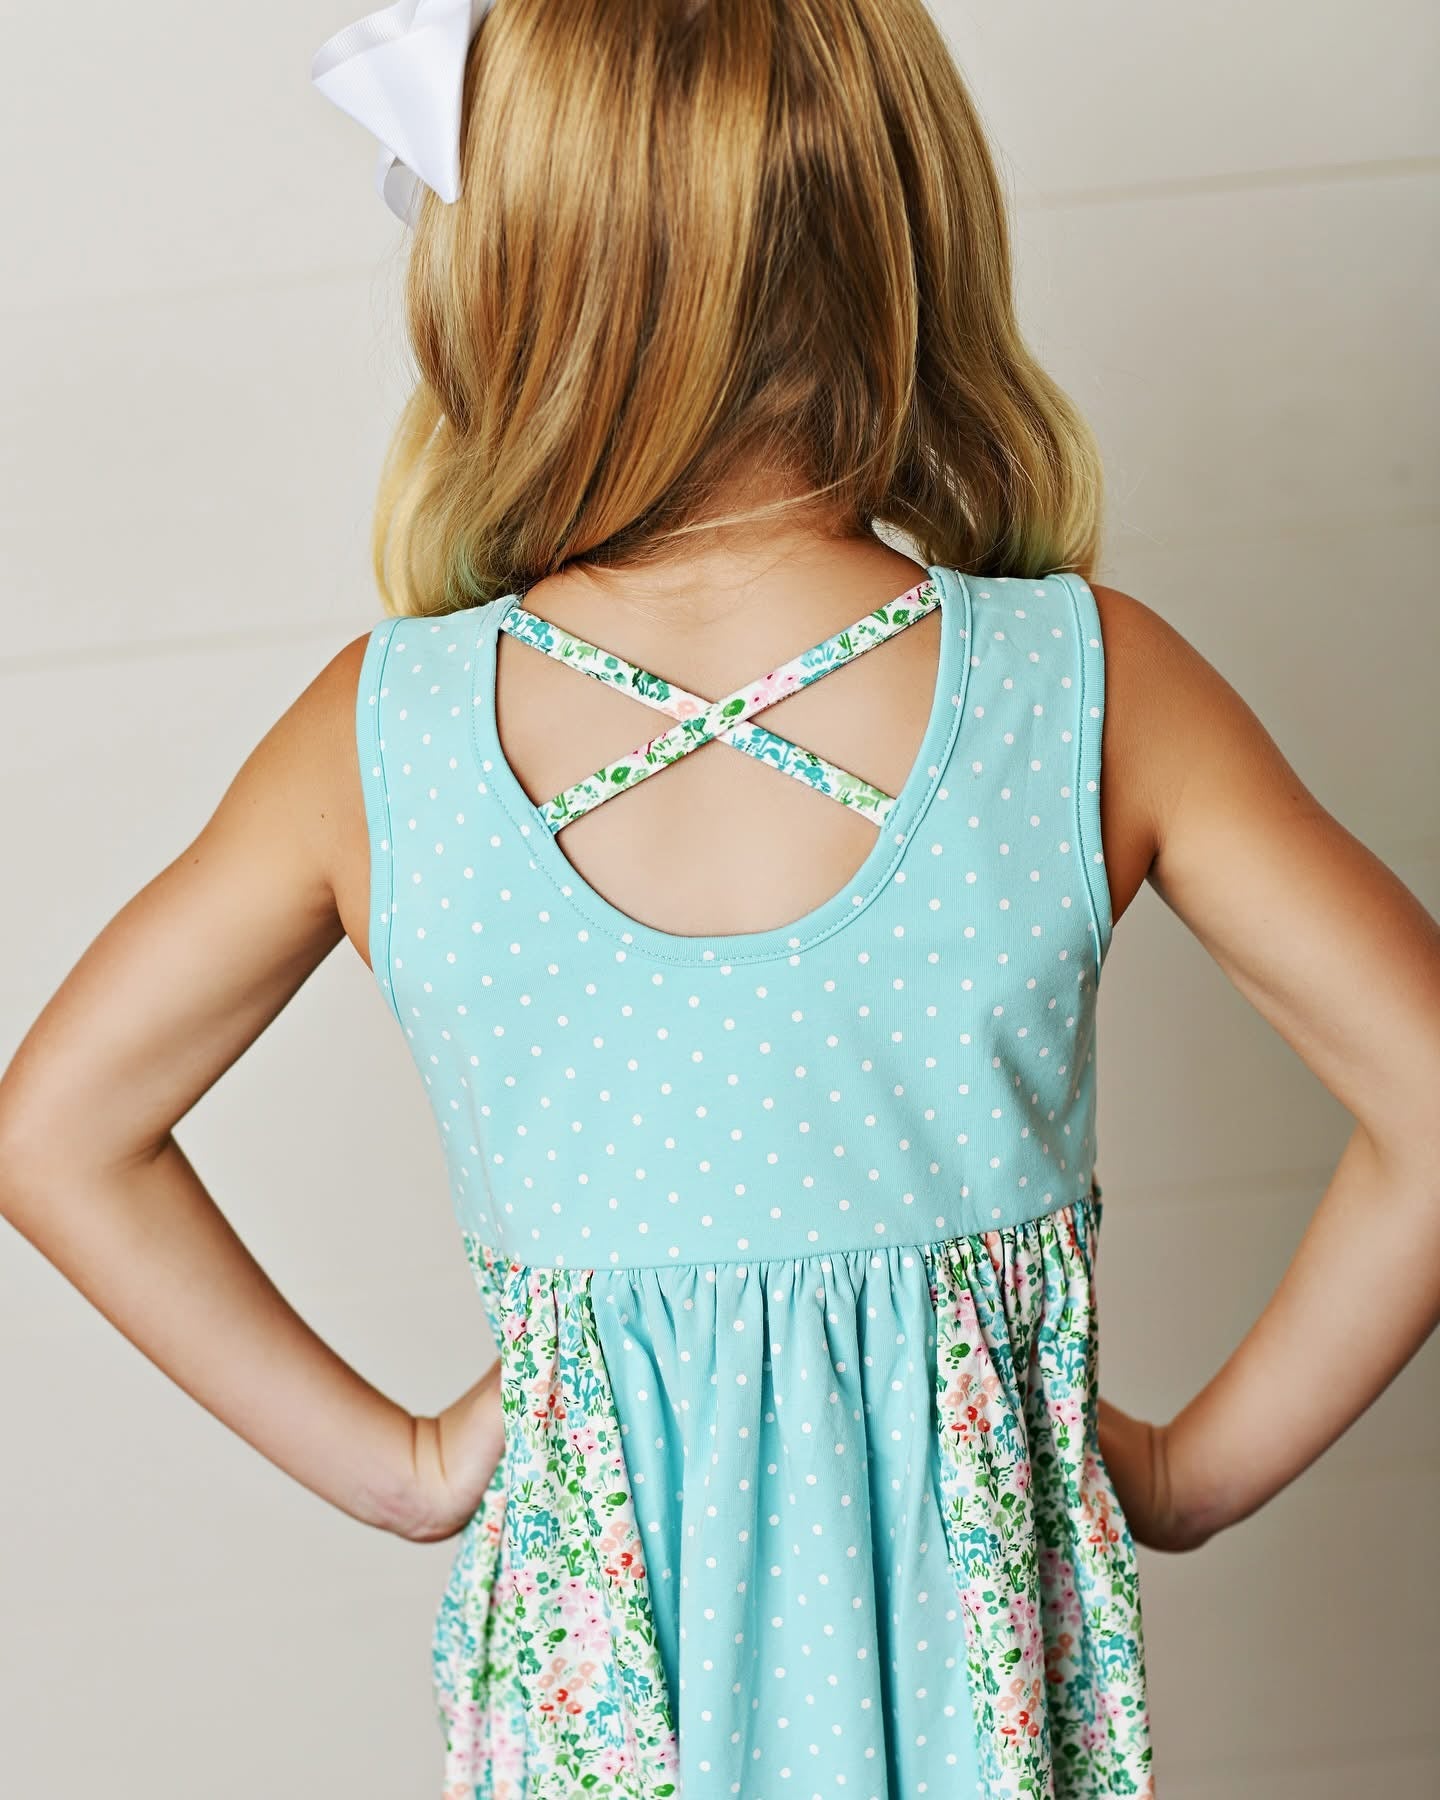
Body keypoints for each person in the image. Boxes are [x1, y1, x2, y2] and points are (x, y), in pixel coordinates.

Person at [3, 2, 1438, 1796]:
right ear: (911, 235)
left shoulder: (382, 738)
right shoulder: (1085, 687)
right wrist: (1187, 1479)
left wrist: (410, 1469)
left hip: (606, 1730)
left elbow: (56, 1130)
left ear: (501, 274)